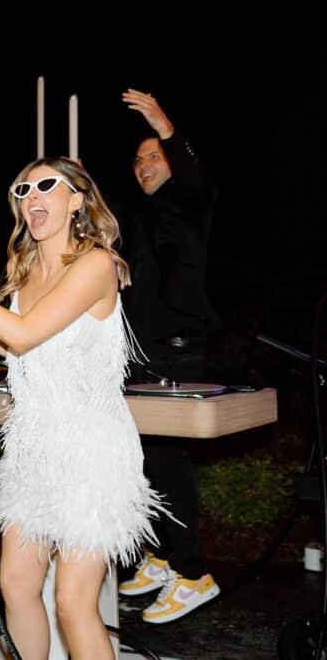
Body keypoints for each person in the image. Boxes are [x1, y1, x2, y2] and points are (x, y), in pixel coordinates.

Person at [0, 158, 161, 660]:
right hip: (33, 448)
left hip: (91, 452)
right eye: (23, 188)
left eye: (47, 185)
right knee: (15, 584)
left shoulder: (96, 264)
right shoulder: (23, 270)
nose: (33, 195)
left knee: (73, 602)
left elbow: (26, 333)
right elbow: (24, 345)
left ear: (77, 199)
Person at [117, 89, 221, 623]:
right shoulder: (147, 217)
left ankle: (193, 572)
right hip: (144, 351)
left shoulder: (186, 199)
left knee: (168, 462)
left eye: (153, 156)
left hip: (177, 349)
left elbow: (198, 179)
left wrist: (166, 127)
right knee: (148, 463)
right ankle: (160, 556)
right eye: (137, 160)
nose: (143, 166)